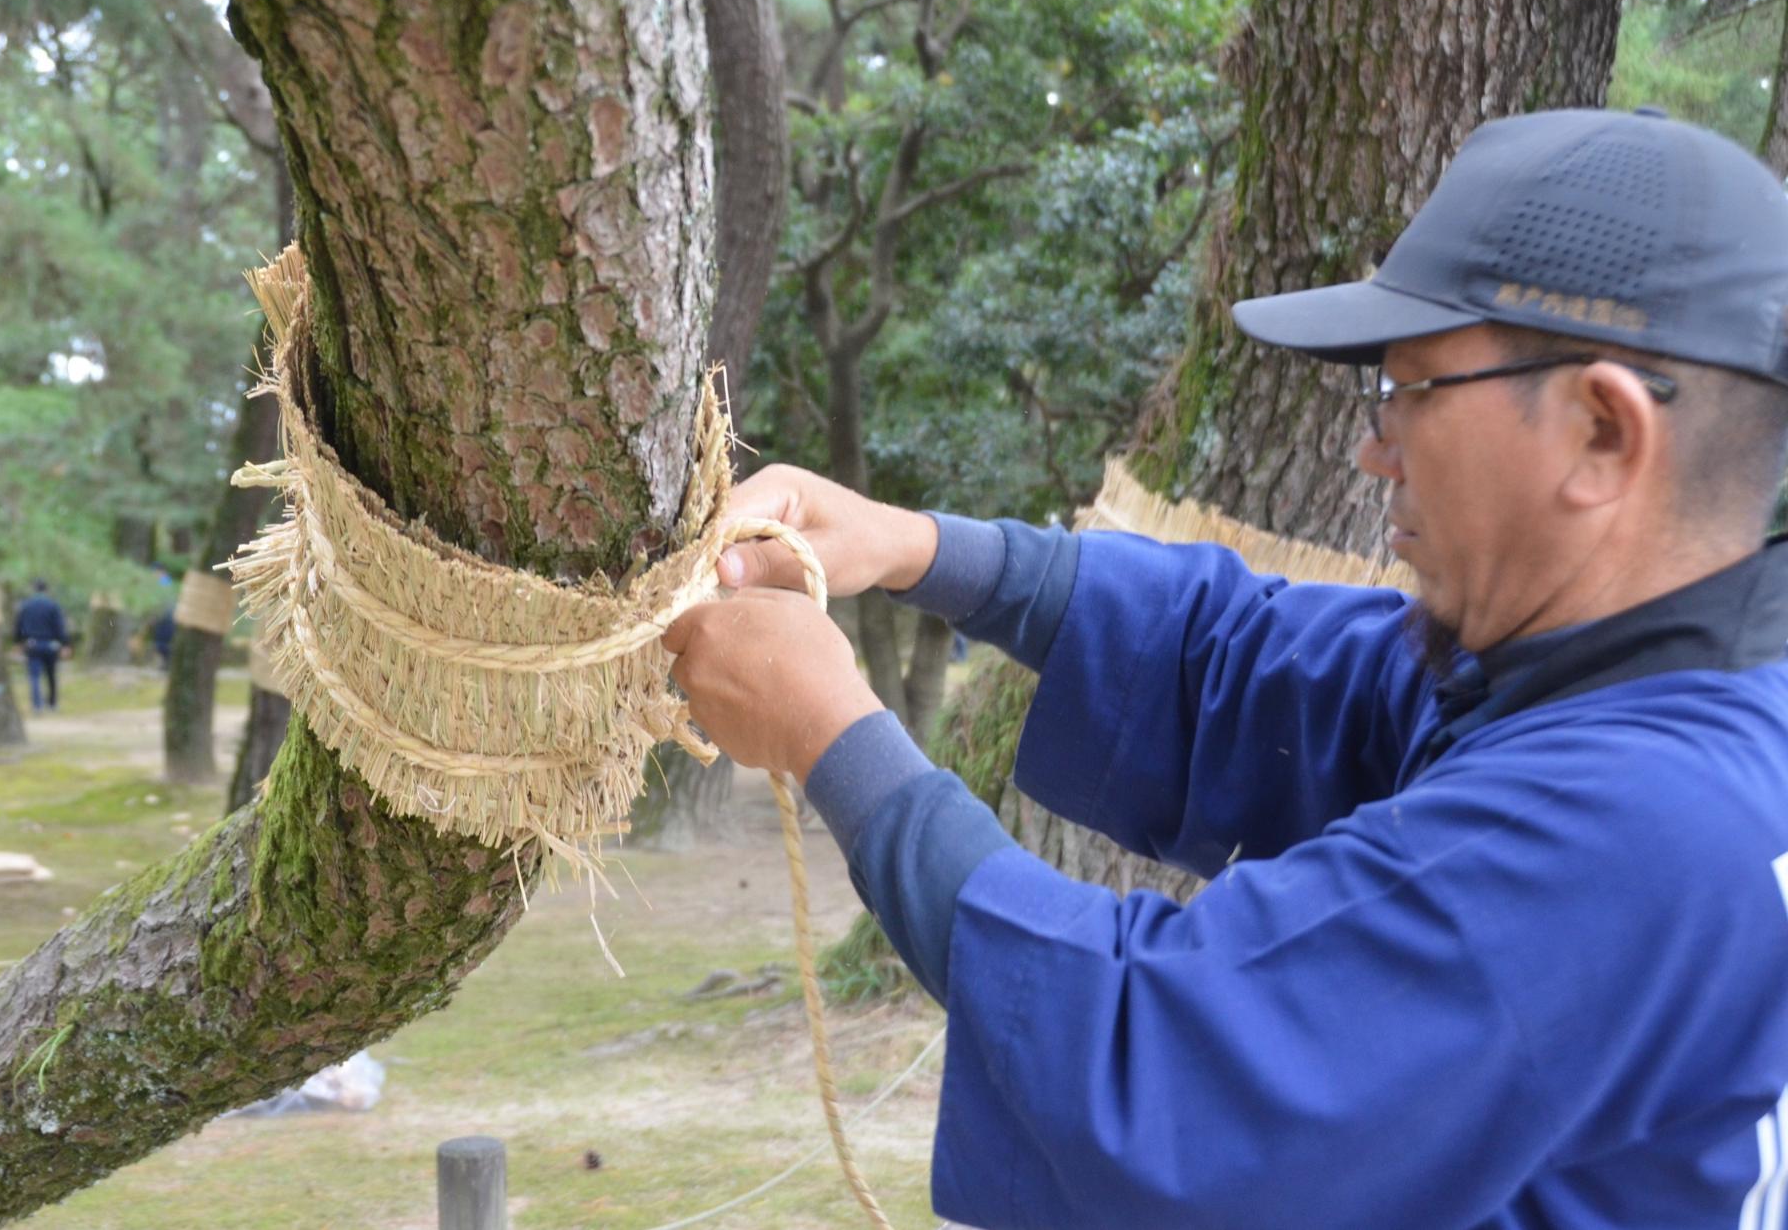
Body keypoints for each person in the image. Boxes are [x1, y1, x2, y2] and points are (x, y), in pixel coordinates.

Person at [663, 107, 1788, 1227]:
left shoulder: (1633, 821)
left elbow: (1164, 1069)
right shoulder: (1657, 687)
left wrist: (830, 732)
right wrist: (911, 546)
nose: (1371, 446)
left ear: (1602, 430)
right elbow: (1242, 655)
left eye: (1411, 388)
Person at [13, 578, 71, 712]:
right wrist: (65, 644)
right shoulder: (52, 605)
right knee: (51, 675)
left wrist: (17, 642)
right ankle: (52, 703)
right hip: (51, 645)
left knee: (34, 676)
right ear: (46, 590)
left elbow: (19, 626)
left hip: (32, 644)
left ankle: (37, 705)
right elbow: (60, 627)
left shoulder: (26, 605)